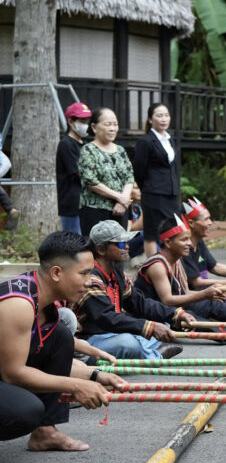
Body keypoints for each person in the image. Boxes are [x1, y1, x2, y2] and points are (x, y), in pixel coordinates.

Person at [0, 232, 126, 451]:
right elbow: (14, 374)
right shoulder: (19, 304)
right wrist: (76, 385)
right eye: (84, 274)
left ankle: (45, 433)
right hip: (7, 373)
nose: (90, 282)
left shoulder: (44, 302)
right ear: (56, 273)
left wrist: (95, 374)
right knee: (26, 411)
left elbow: (42, 354)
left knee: (60, 336)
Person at [72, 220, 195, 361]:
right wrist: (148, 327)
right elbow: (106, 318)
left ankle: (141, 353)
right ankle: (154, 357)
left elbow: (139, 302)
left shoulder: (116, 272)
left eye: (127, 242)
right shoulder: (91, 278)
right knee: (129, 343)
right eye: (120, 244)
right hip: (90, 339)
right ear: (100, 249)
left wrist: (175, 314)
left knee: (163, 324)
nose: (127, 247)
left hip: (112, 333)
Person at [134, 215, 226, 324]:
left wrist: (210, 295)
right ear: (168, 243)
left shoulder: (178, 260)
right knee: (204, 322)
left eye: (189, 239)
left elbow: (186, 292)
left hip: (174, 310)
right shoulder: (157, 265)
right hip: (156, 315)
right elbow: (167, 301)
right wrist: (204, 294)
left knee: (214, 304)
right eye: (184, 240)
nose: (189, 243)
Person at [77, 107, 134, 237]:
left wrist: (123, 200)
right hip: (96, 210)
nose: (112, 128)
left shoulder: (120, 150)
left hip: (120, 209)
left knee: (120, 249)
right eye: (108, 124)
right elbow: (90, 181)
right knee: (97, 249)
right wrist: (119, 197)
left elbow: (129, 177)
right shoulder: (88, 150)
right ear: (94, 127)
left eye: (115, 124)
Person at [133, 103, 181, 257]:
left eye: (166, 115)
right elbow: (139, 169)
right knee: (152, 232)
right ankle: (152, 267)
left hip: (170, 192)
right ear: (149, 119)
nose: (163, 119)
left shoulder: (169, 139)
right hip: (153, 192)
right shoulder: (146, 141)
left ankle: (171, 265)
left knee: (174, 228)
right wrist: (146, 187)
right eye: (159, 115)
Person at [56, 102, 91, 234]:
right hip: (72, 205)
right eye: (82, 121)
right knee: (74, 247)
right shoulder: (66, 144)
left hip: (86, 204)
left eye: (87, 120)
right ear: (71, 121)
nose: (86, 125)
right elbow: (79, 173)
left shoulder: (85, 144)